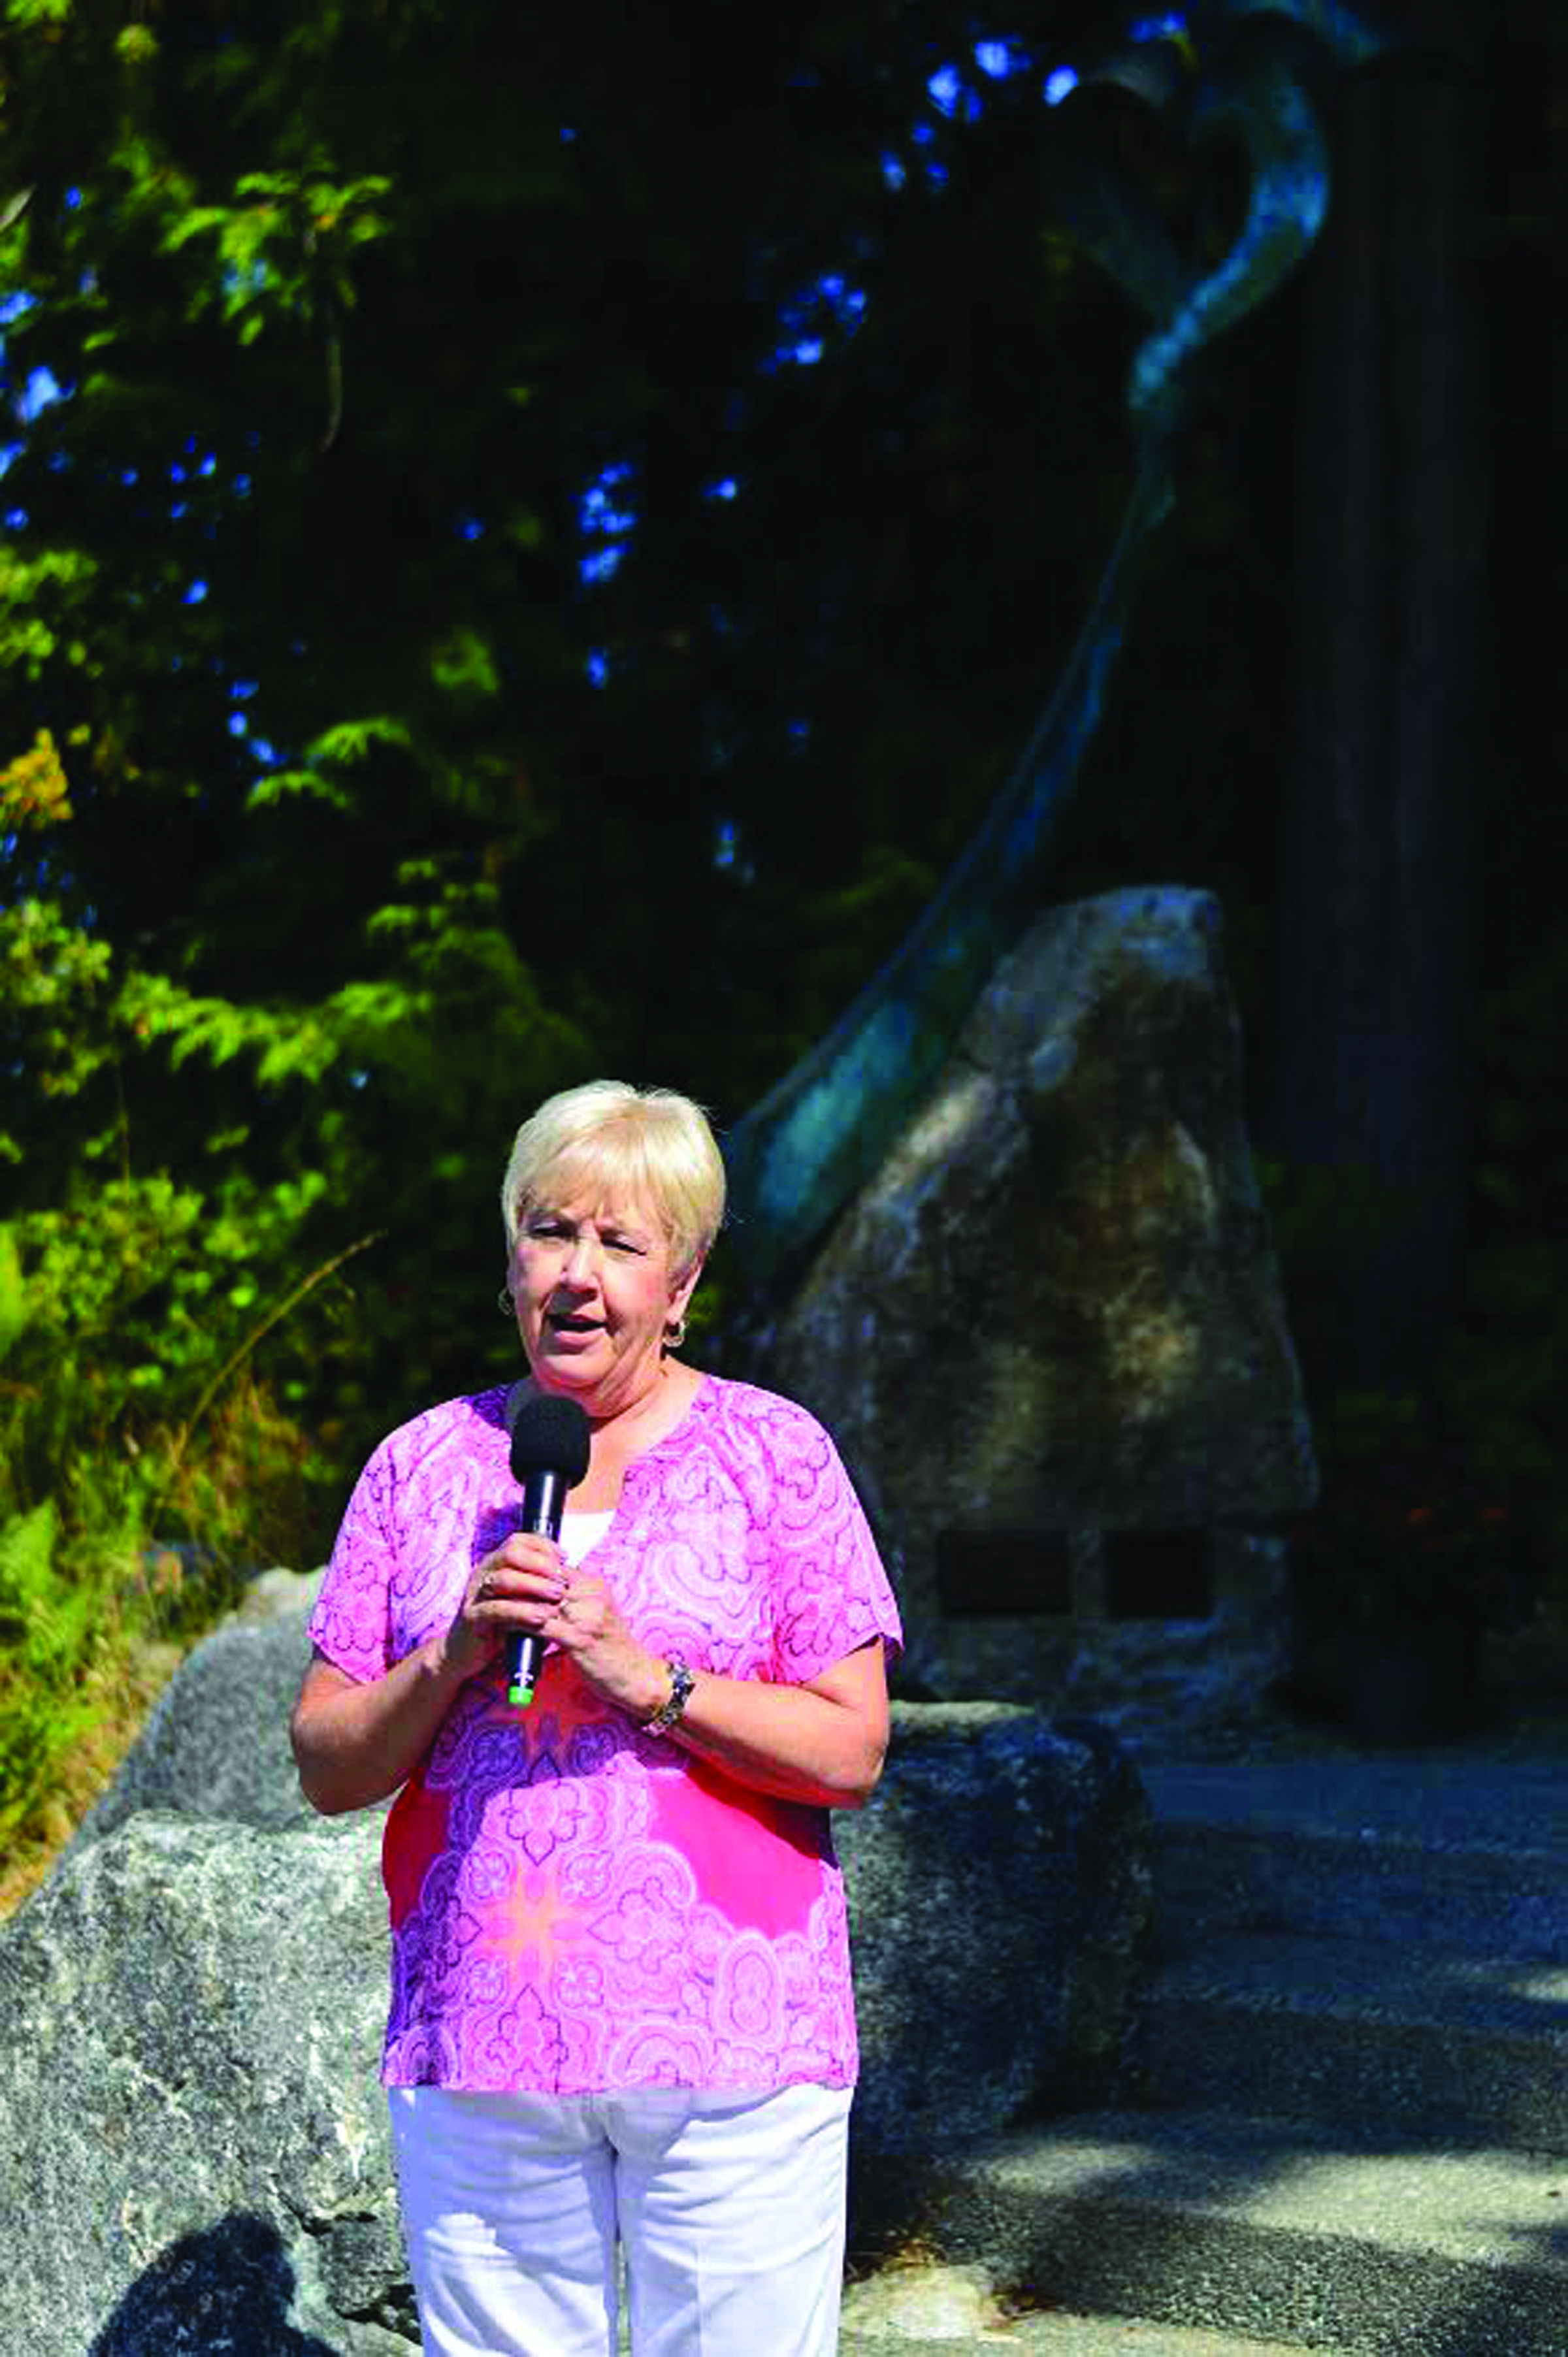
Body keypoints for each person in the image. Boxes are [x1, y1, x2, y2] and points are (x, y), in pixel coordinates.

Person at [290, 1079, 902, 2357]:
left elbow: (852, 1748)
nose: (578, 1274)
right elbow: (327, 1764)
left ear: (681, 1285)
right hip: (480, 2034)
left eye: (621, 1243)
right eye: (551, 1231)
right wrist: (452, 1651)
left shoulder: (775, 1454)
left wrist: (650, 1679)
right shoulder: (418, 1465)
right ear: (510, 1259)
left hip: (730, 2036)